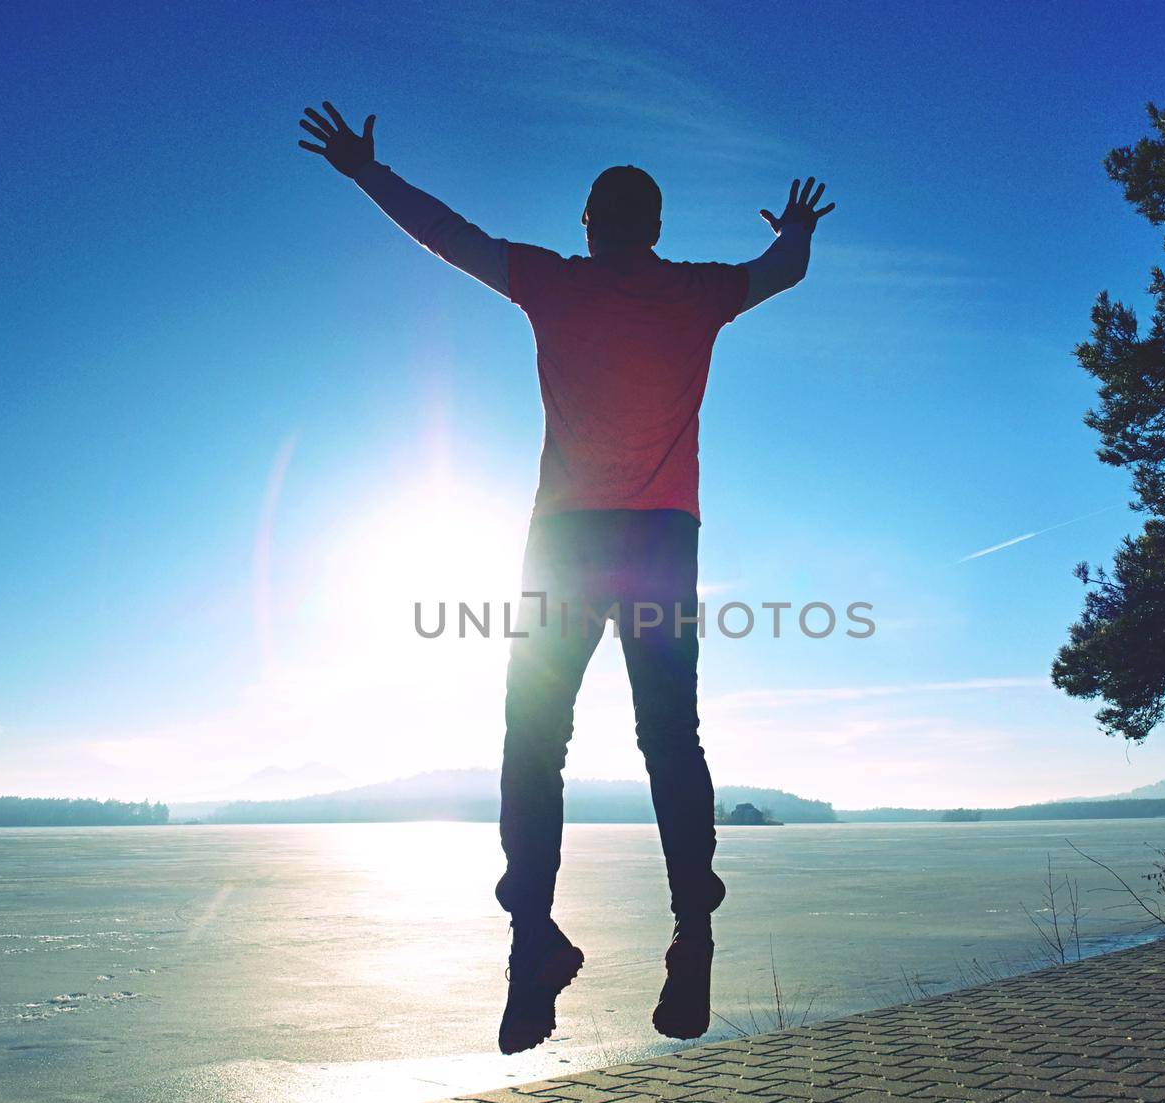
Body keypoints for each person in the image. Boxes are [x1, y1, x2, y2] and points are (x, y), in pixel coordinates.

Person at [299, 101, 834, 1054]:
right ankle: (693, 932)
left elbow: (449, 235)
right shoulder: (699, 291)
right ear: (656, 229)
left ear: (587, 224)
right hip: (663, 540)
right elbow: (787, 270)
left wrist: (364, 173)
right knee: (670, 738)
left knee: (534, 738)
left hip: (565, 544)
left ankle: (531, 942)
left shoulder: (553, 281)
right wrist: (793, 226)